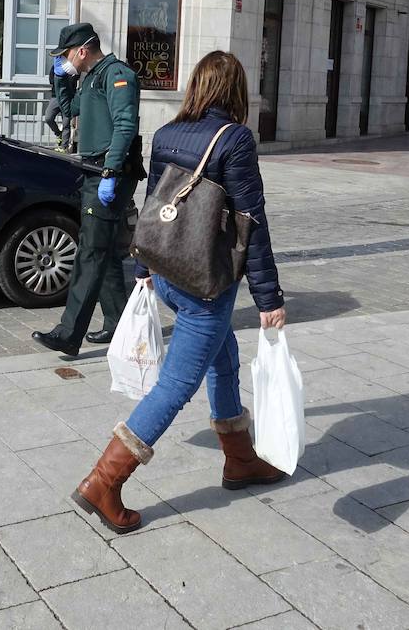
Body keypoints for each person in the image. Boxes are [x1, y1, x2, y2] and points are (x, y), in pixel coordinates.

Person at [71, 51, 287, 534]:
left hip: (169, 273)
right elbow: (253, 224)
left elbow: (155, 205)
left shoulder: (168, 133)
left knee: (223, 357)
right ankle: (103, 482)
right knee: (174, 387)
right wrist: (269, 298)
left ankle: (240, 460)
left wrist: (144, 264)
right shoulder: (235, 140)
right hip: (206, 285)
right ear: (235, 93)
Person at [32, 23, 142, 355]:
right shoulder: (92, 77)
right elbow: (71, 110)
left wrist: (111, 169)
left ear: (82, 50)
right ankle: (118, 323)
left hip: (112, 172)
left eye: (65, 55)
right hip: (96, 170)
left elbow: (126, 122)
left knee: (90, 251)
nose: (64, 60)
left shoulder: (117, 75)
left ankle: (69, 333)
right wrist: (61, 80)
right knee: (104, 250)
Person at [45, 55, 77, 153]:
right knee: (48, 117)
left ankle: (64, 147)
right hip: (56, 96)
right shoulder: (56, 66)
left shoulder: (74, 67)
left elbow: (75, 79)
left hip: (68, 97)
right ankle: (58, 134)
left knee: (66, 123)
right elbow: (51, 80)